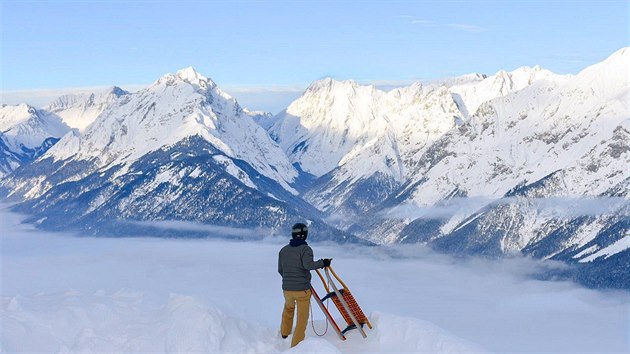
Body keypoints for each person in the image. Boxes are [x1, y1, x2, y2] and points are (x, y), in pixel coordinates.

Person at [278, 222, 331, 347]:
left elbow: (280, 270)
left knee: (288, 308)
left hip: (287, 289)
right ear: (305, 235)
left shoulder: (283, 250)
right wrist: (324, 263)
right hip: (302, 290)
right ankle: (295, 347)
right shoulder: (306, 249)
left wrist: (289, 280)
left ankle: (284, 332)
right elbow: (308, 265)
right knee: (302, 319)